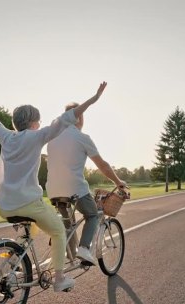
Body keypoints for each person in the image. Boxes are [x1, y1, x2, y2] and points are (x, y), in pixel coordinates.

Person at [0, 82, 107, 292]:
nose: (40, 124)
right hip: (29, 202)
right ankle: (59, 280)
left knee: (30, 229)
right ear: (32, 123)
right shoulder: (37, 137)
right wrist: (93, 99)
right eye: (38, 121)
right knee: (58, 230)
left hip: (5, 206)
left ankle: (16, 262)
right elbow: (68, 118)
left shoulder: (7, 137)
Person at [46, 100, 127, 266]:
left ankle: (67, 259)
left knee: (67, 224)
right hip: (75, 188)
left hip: (53, 190)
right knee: (93, 214)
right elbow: (103, 166)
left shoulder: (52, 138)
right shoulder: (82, 137)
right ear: (79, 117)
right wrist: (118, 182)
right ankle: (84, 248)